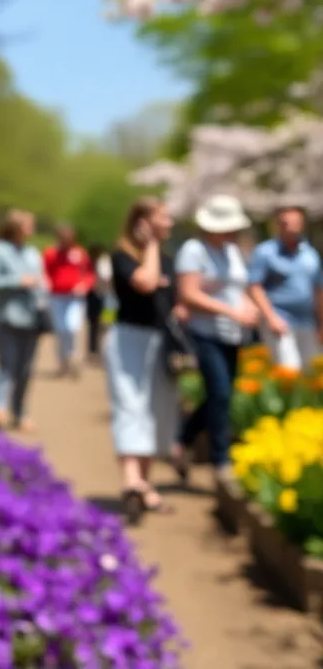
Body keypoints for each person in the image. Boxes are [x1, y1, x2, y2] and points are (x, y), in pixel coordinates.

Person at [103, 198, 183, 524]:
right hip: (128, 341)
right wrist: (149, 244)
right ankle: (131, 481)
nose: (170, 223)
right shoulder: (123, 256)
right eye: (163, 217)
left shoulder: (169, 260)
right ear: (143, 222)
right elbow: (146, 283)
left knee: (155, 411)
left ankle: (144, 485)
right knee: (129, 406)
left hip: (158, 342)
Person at [175, 194, 261, 484]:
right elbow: (189, 293)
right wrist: (231, 311)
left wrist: (249, 307)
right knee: (220, 393)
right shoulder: (193, 250)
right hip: (205, 332)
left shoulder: (231, 251)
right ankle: (221, 461)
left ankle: (183, 441)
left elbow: (238, 289)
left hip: (232, 334)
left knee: (219, 395)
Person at [0, 209, 46, 432]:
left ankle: (19, 411)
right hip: (7, 316)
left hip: (32, 317)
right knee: (6, 364)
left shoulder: (32, 253)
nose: (32, 228)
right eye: (28, 224)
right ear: (16, 226)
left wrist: (42, 288)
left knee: (25, 369)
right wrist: (17, 280)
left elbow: (42, 280)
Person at [247, 205, 323, 371]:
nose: (292, 228)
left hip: (307, 321)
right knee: (289, 369)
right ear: (278, 226)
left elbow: (318, 290)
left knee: (311, 370)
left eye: (296, 223)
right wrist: (270, 317)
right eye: (287, 224)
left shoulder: (310, 254)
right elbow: (254, 287)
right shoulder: (265, 252)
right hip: (279, 318)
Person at [43, 224, 95, 377]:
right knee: (60, 329)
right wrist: (47, 283)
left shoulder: (80, 253)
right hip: (56, 297)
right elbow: (44, 272)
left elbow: (89, 273)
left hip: (74, 298)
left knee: (73, 327)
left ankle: (73, 357)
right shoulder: (51, 253)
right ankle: (62, 361)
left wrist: (84, 285)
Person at [86, 243, 112, 362]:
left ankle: (101, 351)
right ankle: (95, 351)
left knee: (106, 325)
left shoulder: (105, 261)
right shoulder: (102, 261)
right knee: (98, 325)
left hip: (108, 299)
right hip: (100, 297)